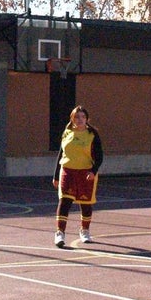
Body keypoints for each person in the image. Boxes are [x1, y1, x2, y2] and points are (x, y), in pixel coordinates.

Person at [52, 106, 103, 248]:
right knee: (64, 202)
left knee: (86, 203)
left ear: (86, 119)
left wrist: (93, 171)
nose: (79, 119)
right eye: (76, 117)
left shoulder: (92, 134)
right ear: (72, 119)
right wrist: (56, 175)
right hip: (67, 171)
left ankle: (85, 230)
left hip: (85, 172)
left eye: (82, 117)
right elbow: (61, 154)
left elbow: (99, 156)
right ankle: (60, 233)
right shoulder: (67, 133)